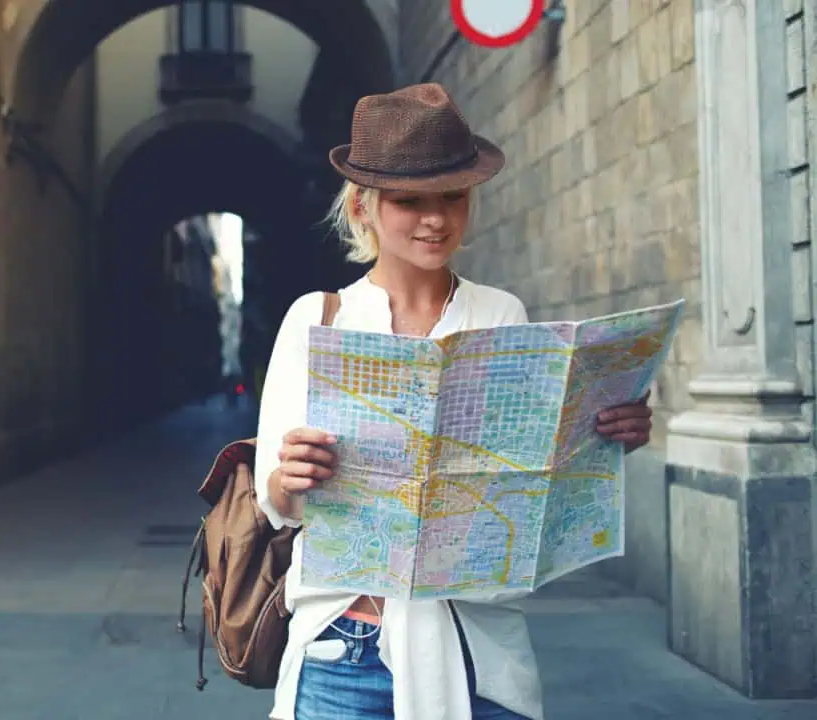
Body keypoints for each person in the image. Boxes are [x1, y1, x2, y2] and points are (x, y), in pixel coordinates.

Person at [253, 83, 655, 720]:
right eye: (409, 200)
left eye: (452, 197)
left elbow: (528, 482)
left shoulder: (500, 314)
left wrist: (603, 432)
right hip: (345, 650)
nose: (435, 219)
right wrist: (286, 476)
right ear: (363, 208)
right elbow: (274, 504)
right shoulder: (317, 318)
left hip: (476, 649)